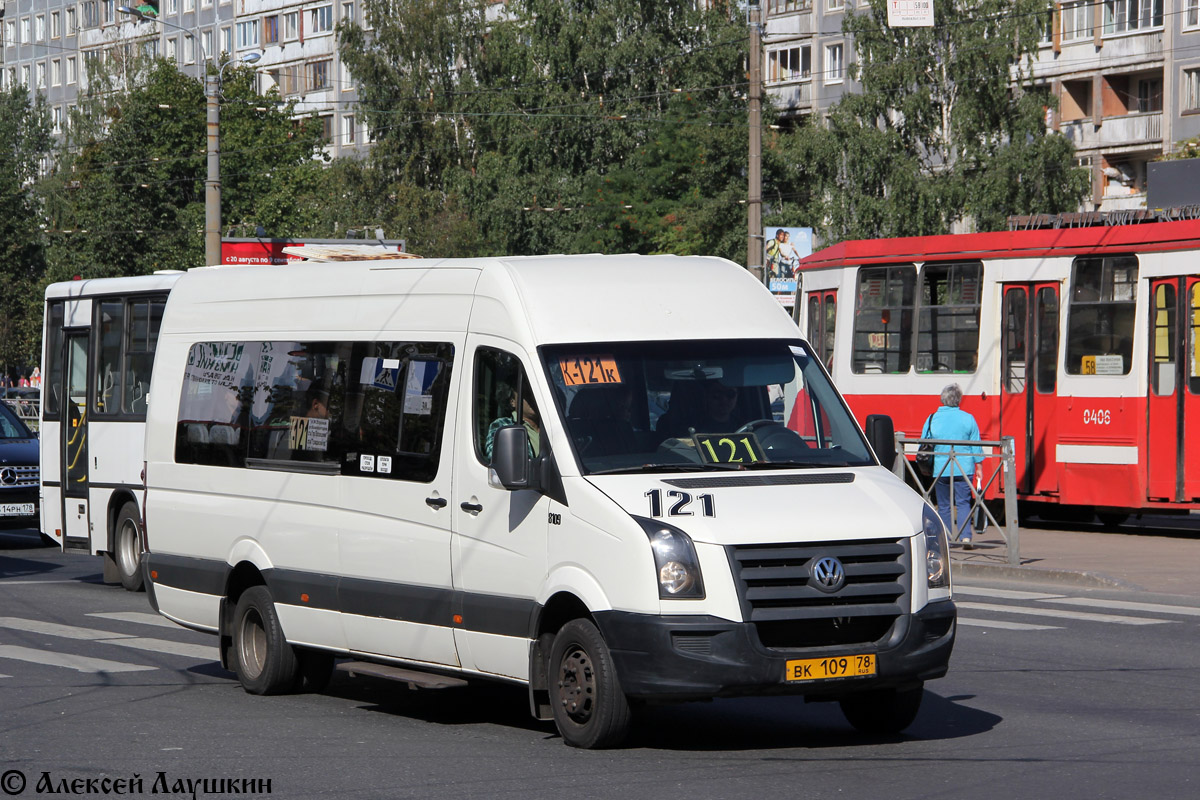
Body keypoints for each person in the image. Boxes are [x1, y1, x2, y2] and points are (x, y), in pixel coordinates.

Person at [925, 383, 982, 548]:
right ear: (958, 400)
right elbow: (975, 444)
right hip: (964, 467)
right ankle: (965, 537)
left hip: (941, 468)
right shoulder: (968, 418)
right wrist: (979, 466)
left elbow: (924, 440)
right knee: (963, 502)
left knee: (943, 505)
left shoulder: (932, 418)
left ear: (943, 399)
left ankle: (947, 539)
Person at [485, 383, 540, 461]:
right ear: (512, 402)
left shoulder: (550, 425)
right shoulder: (502, 425)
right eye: (526, 394)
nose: (532, 398)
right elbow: (498, 459)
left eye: (534, 394)